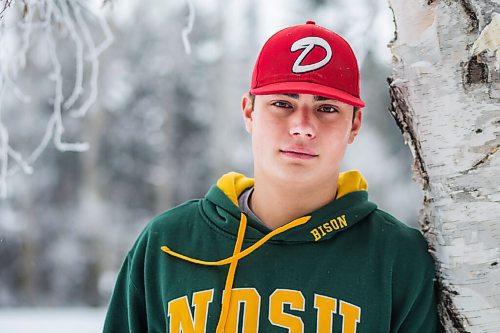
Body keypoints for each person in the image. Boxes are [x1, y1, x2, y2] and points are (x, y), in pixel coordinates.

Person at [103, 21, 441, 332]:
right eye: (282, 103)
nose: (303, 126)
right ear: (249, 112)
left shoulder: (398, 258)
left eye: (327, 108)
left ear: (354, 124)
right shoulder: (169, 243)